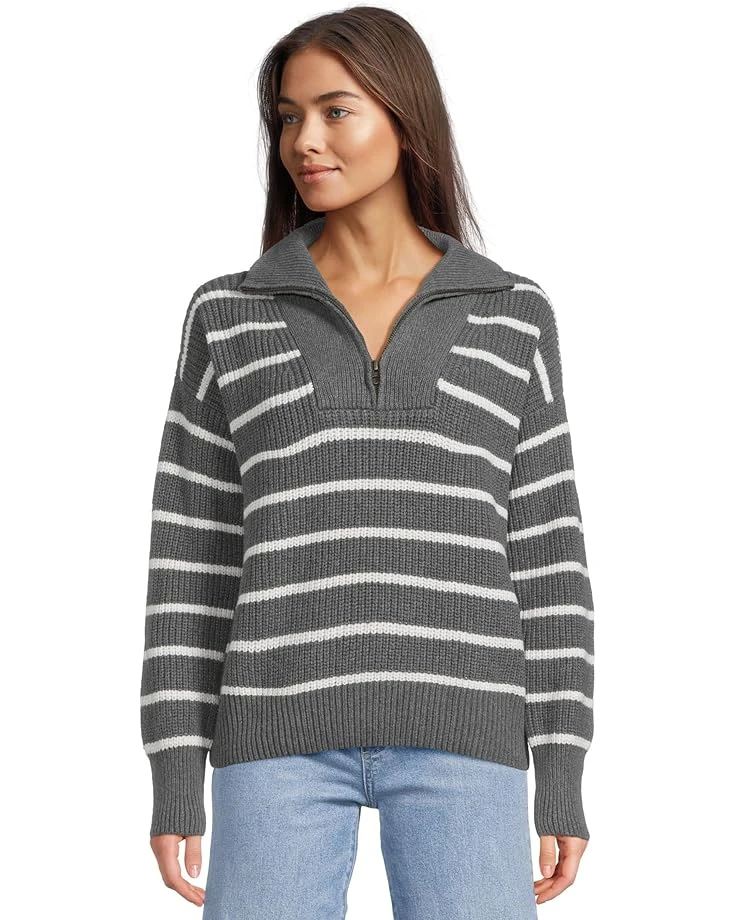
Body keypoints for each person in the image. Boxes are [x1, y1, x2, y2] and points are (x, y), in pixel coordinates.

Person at [140, 6, 595, 918]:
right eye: (287, 117)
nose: (304, 141)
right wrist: (175, 770)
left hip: (469, 736)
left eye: (335, 111)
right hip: (272, 741)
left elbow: (548, 556)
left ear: (405, 116)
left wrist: (561, 770)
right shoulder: (227, 315)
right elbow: (191, 558)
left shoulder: (512, 315)